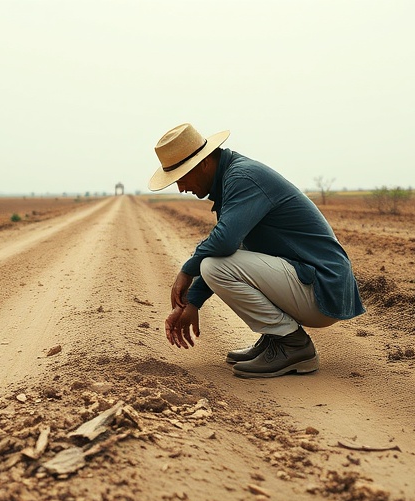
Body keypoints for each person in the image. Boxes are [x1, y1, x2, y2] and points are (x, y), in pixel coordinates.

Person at [148, 123, 365, 378]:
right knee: (215, 263)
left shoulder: (242, 178)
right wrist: (193, 302)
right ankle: (276, 337)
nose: (181, 188)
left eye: (181, 177)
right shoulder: (233, 178)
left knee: (211, 266)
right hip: (312, 282)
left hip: (322, 287)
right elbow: (230, 248)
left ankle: (292, 344)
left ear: (203, 163)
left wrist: (187, 270)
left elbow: (224, 243)